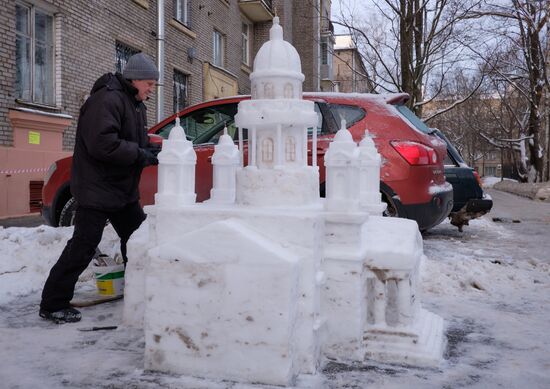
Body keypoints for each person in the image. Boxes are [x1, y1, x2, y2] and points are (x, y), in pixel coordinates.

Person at [39, 53, 161, 324]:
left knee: (138, 238)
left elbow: (129, 139)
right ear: (135, 79)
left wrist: (148, 149)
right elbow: (102, 144)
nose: (151, 89)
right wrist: (139, 154)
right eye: (150, 84)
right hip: (98, 188)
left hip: (120, 190)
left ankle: (138, 289)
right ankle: (53, 303)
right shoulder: (107, 99)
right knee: (84, 244)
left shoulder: (134, 103)